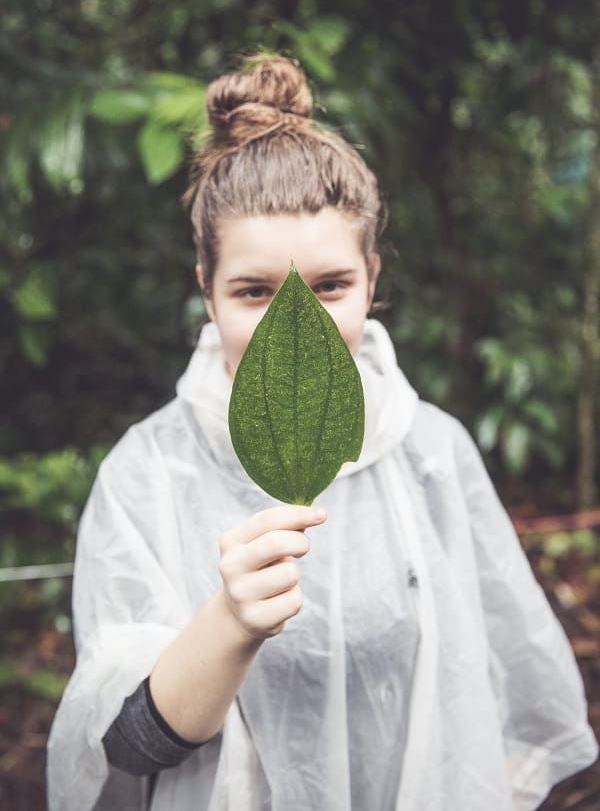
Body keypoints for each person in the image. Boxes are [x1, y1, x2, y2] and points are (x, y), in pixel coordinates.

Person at [47, 55, 598, 811]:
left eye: (330, 286)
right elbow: (127, 746)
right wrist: (232, 621)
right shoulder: (149, 473)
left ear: (373, 276)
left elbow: (498, 696)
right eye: (254, 291)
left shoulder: (431, 452)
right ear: (206, 288)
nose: (293, 325)